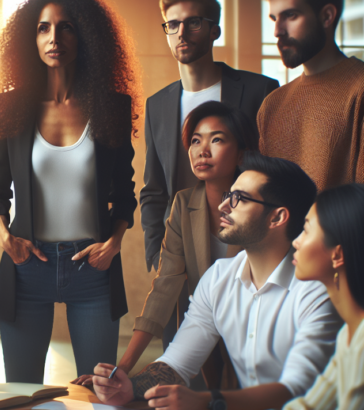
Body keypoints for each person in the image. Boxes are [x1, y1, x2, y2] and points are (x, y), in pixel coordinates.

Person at [93, 153, 343, 410]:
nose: (224, 206)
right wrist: (129, 388)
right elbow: (177, 363)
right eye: (228, 196)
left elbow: (299, 387)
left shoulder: (317, 289)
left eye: (239, 199)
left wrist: (207, 400)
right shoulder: (218, 277)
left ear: (277, 218)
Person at [0, 0, 140, 383]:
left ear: (86, 34)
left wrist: (114, 243)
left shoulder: (113, 108)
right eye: (43, 28)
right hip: (26, 265)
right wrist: (7, 238)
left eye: (66, 27)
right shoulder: (9, 108)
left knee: (98, 393)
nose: (54, 38)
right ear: (29, 38)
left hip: (92, 266)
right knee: (21, 392)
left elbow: (124, 193)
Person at [119, 102, 257, 389]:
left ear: (242, 153)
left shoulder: (258, 206)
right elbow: (165, 285)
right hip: (202, 333)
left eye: (216, 139)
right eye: (196, 140)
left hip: (253, 335)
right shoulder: (183, 203)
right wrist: (123, 367)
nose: (202, 150)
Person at [141, 0, 278, 272]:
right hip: (179, 246)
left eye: (193, 22)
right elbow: (154, 189)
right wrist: (155, 253)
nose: (181, 32)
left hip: (245, 243)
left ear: (214, 30)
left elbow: (273, 175)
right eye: (172, 24)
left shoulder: (260, 90)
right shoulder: (156, 105)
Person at [259, 0, 364, 191]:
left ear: (326, 17)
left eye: (291, 16)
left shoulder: (359, 88)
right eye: (274, 19)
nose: (277, 31)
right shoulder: (271, 104)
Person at [284, 183, 364, 409]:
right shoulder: (347, 335)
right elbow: (310, 405)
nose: (295, 241)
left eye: (307, 230)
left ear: (337, 254)